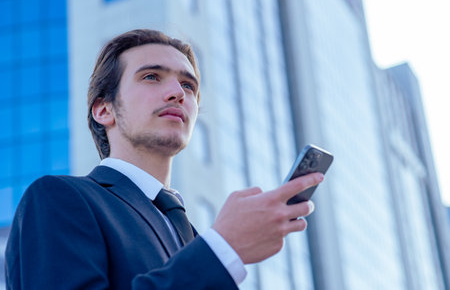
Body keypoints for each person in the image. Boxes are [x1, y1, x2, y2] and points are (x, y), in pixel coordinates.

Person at [5, 29, 324, 289]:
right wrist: (222, 248)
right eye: (151, 77)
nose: (177, 93)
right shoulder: (57, 198)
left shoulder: (195, 238)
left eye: (188, 85)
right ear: (104, 109)